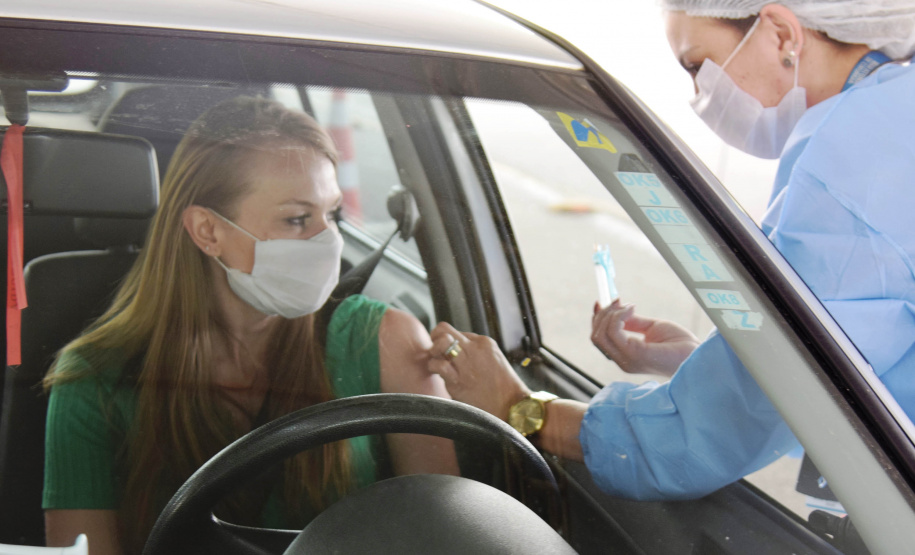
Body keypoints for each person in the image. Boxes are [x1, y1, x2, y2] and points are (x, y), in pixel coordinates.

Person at [429, 0, 915, 502]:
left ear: (780, 35)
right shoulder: (891, 119)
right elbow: (857, 372)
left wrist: (524, 411)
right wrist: (696, 358)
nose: (700, 94)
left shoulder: (848, 173)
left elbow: (751, 414)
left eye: (697, 65)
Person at [42, 97, 458, 554]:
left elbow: (442, 538)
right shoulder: (93, 378)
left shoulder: (386, 342)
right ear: (208, 231)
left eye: (333, 214)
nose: (328, 241)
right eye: (297, 219)